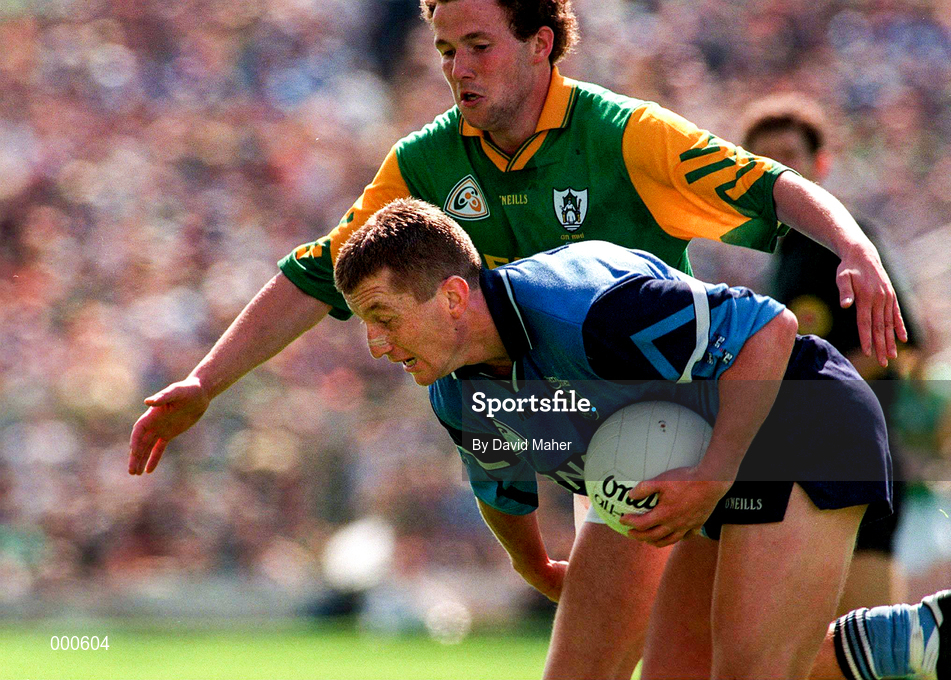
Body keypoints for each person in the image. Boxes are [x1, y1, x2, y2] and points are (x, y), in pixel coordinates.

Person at [130, 1, 908, 677]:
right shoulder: (425, 167)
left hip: (731, 403)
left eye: (477, 44)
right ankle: (897, 647)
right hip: (641, 431)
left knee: (724, 668)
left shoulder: (625, 138)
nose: (455, 67)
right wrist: (205, 382)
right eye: (443, 49)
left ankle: (893, 647)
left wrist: (856, 249)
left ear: (541, 42)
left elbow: (766, 187)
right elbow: (322, 274)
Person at [332, 197, 951, 680]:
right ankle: (926, 637)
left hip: (799, 411)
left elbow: (771, 328)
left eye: (383, 316)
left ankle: (926, 640)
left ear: (452, 297)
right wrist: (533, 566)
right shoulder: (454, 386)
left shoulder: (588, 311)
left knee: (750, 674)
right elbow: (501, 487)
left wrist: (715, 476)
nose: (375, 344)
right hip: (694, 454)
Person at [739, 92, 921, 615]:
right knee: (805, 640)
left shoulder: (850, 241)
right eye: (759, 159)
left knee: (866, 638)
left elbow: (902, 344)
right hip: (800, 458)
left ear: (821, 164)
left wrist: (809, 387)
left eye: (788, 156)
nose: (775, 168)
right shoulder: (780, 250)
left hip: (856, 451)